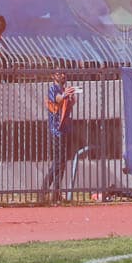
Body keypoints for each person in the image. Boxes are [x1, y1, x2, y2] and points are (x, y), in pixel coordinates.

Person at [41, 71, 78, 202]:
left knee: (62, 162)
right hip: (56, 130)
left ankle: (56, 193)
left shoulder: (63, 89)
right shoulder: (53, 89)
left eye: (64, 73)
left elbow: (68, 104)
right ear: (53, 76)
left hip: (64, 128)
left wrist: (71, 98)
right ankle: (44, 189)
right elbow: (58, 99)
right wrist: (64, 95)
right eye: (59, 73)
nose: (63, 75)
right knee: (58, 161)